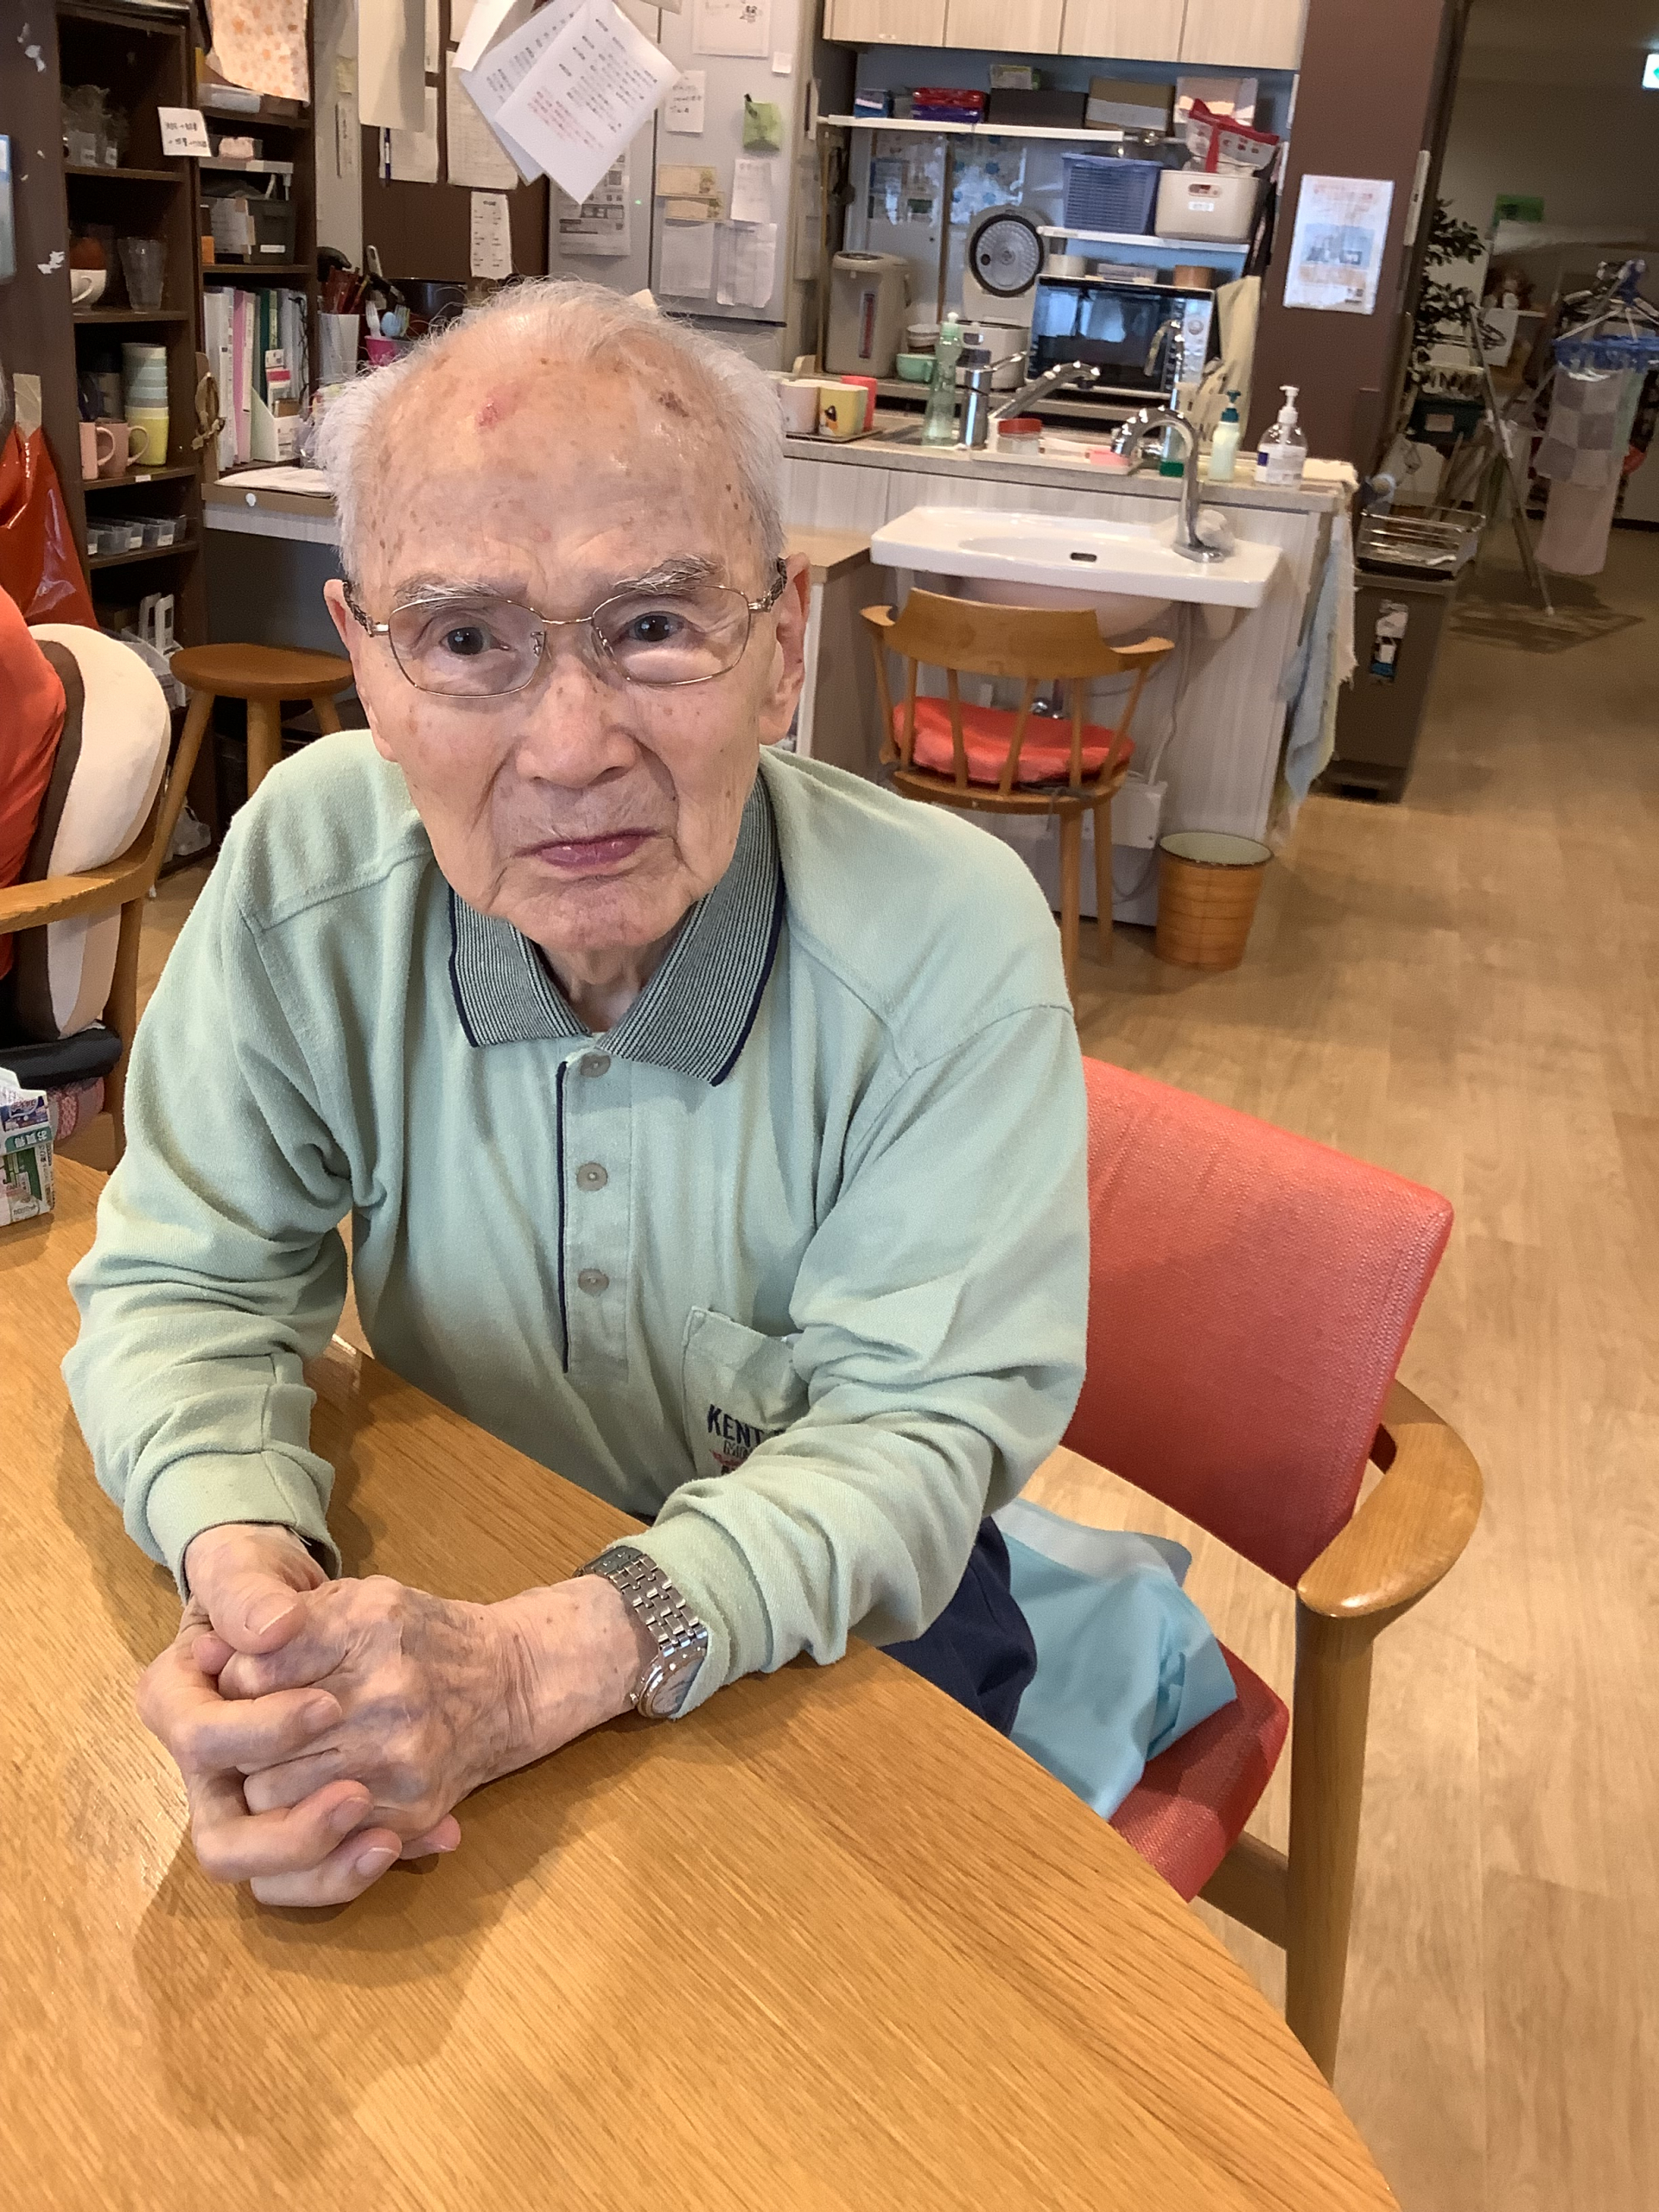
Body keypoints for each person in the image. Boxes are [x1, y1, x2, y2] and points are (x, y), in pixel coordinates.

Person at [65, 280, 1087, 1910]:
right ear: (371, 670)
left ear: (783, 646)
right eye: (467, 641)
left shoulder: (950, 937)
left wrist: (536, 1670)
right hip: (461, 1539)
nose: (569, 748)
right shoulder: (309, 869)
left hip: (834, 1618)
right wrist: (250, 1581)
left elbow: (914, 1436)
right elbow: (191, 1280)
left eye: (656, 624)